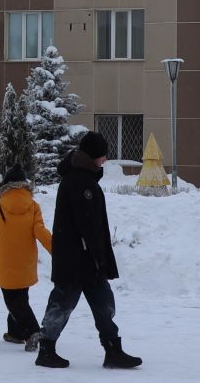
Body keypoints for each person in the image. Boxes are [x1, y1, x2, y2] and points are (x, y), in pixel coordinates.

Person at [36, 131, 141, 370]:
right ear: (94, 155)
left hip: (85, 258)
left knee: (104, 303)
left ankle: (113, 350)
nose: (105, 159)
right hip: (78, 258)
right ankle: (46, 349)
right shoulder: (80, 182)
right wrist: (97, 255)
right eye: (103, 155)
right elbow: (87, 224)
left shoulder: (85, 179)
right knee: (62, 303)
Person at [0, 164, 53, 347]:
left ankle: (33, 331)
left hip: (7, 262)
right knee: (20, 297)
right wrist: (57, 250)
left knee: (13, 301)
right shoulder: (33, 206)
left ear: (5, 184)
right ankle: (15, 333)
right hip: (27, 261)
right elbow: (40, 230)